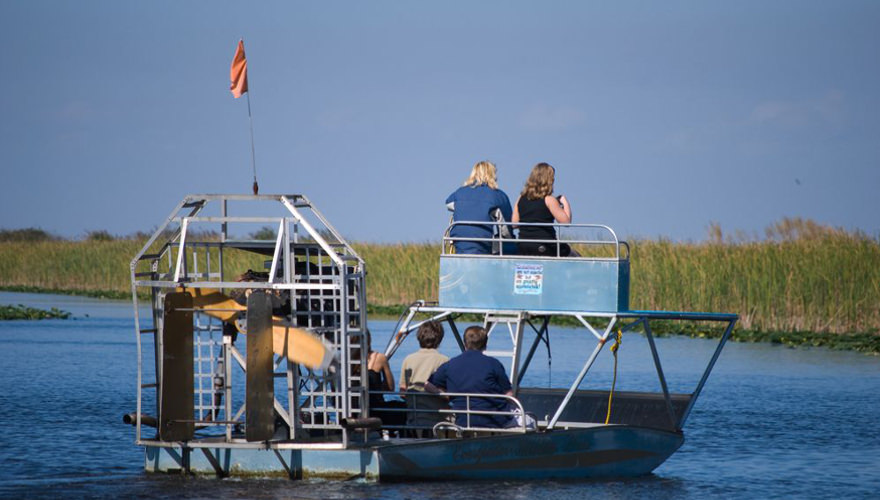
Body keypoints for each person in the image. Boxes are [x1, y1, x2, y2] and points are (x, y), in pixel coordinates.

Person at [426, 326, 514, 428]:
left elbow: (427, 384)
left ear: (465, 343)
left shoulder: (450, 365)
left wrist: (445, 395)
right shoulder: (494, 364)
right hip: (495, 421)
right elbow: (509, 395)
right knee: (530, 420)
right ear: (485, 345)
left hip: (463, 421)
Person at [446, 161, 513, 254]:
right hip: (483, 245)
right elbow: (506, 232)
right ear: (492, 175)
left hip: (460, 244)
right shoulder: (498, 196)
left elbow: (449, 204)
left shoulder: (459, 192)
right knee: (510, 247)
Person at [512, 162, 574, 257]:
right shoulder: (549, 200)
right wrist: (565, 203)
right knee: (571, 253)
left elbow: (514, 224)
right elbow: (566, 222)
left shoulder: (521, 198)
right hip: (546, 246)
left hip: (524, 246)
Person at [398, 321, 449, 435]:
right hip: (437, 421)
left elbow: (402, 392)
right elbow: (448, 395)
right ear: (439, 339)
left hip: (413, 419)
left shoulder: (408, 359)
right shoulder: (444, 360)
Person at [366, 331, 405, 427]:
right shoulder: (379, 358)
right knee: (402, 407)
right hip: (375, 408)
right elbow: (390, 387)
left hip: (355, 408)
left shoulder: (346, 360)